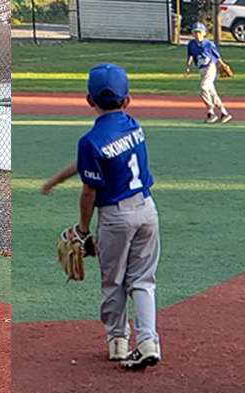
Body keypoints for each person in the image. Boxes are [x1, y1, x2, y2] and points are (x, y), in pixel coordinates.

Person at [76, 63, 161, 369]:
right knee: (142, 281)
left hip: (114, 216)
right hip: (147, 209)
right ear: (127, 101)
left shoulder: (89, 141)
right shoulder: (134, 125)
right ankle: (149, 341)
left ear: (89, 100)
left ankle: (118, 342)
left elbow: (89, 191)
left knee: (113, 281)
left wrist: (83, 229)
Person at [184, 22, 232, 123]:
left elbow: (217, 56)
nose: (198, 34)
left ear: (204, 33)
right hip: (201, 69)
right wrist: (187, 67)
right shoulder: (191, 44)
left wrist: (222, 65)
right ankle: (224, 112)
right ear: (193, 33)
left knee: (203, 87)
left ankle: (211, 112)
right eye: (195, 32)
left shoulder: (209, 44)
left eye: (200, 32)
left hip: (210, 67)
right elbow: (190, 56)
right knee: (211, 92)